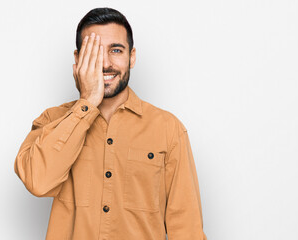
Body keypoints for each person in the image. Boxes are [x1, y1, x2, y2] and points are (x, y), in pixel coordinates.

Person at [14, 7, 208, 240]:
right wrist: (86, 104)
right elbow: (38, 182)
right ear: (78, 59)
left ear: (132, 57)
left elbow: (187, 230)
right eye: (93, 51)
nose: (105, 63)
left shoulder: (168, 129)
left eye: (116, 50)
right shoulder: (51, 121)